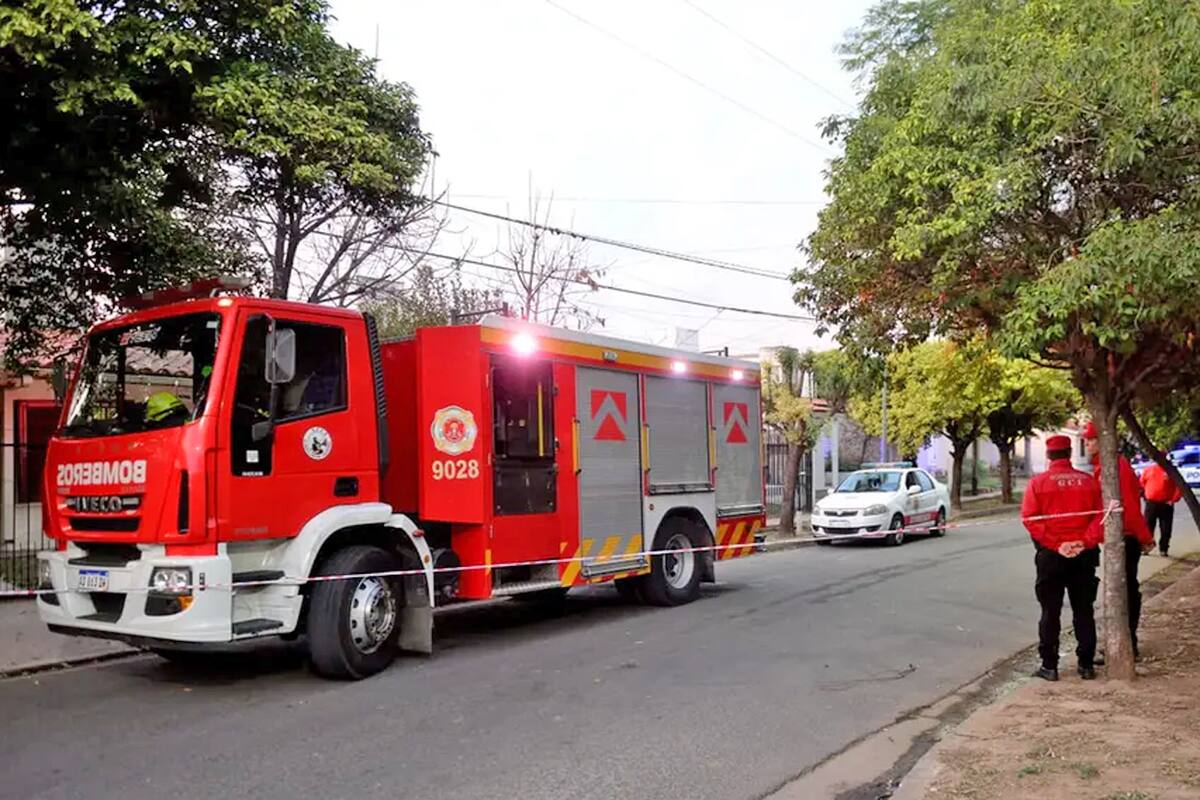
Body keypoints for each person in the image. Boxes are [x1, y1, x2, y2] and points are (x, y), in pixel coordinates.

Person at [1022, 435, 1104, 681]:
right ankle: (1086, 665)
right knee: (1084, 610)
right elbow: (1100, 517)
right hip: (1084, 556)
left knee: (1050, 611)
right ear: (1069, 453)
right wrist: (1084, 542)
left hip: (1051, 557)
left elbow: (1030, 519)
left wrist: (1058, 545)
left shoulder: (1037, 484)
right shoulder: (1089, 482)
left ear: (1048, 455)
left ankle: (1049, 665)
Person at [1083, 421, 1154, 659]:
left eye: (1091, 439)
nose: (1087, 443)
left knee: (1125, 591)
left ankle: (1128, 645)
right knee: (1123, 589)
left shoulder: (1115, 468)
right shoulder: (1104, 467)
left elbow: (1129, 507)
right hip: (1121, 536)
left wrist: (1144, 536)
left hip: (1127, 537)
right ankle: (1124, 643)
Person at [1141, 459, 1183, 557]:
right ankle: (1147, 546)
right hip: (1151, 503)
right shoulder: (1149, 470)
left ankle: (1163, 548)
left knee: (1166, 528)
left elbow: (1179, 487)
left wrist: (1173, 500)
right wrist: (1146, 496)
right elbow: (1142, 483)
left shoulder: (1171, 471)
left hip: (1166, 504)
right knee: (1148, 526)